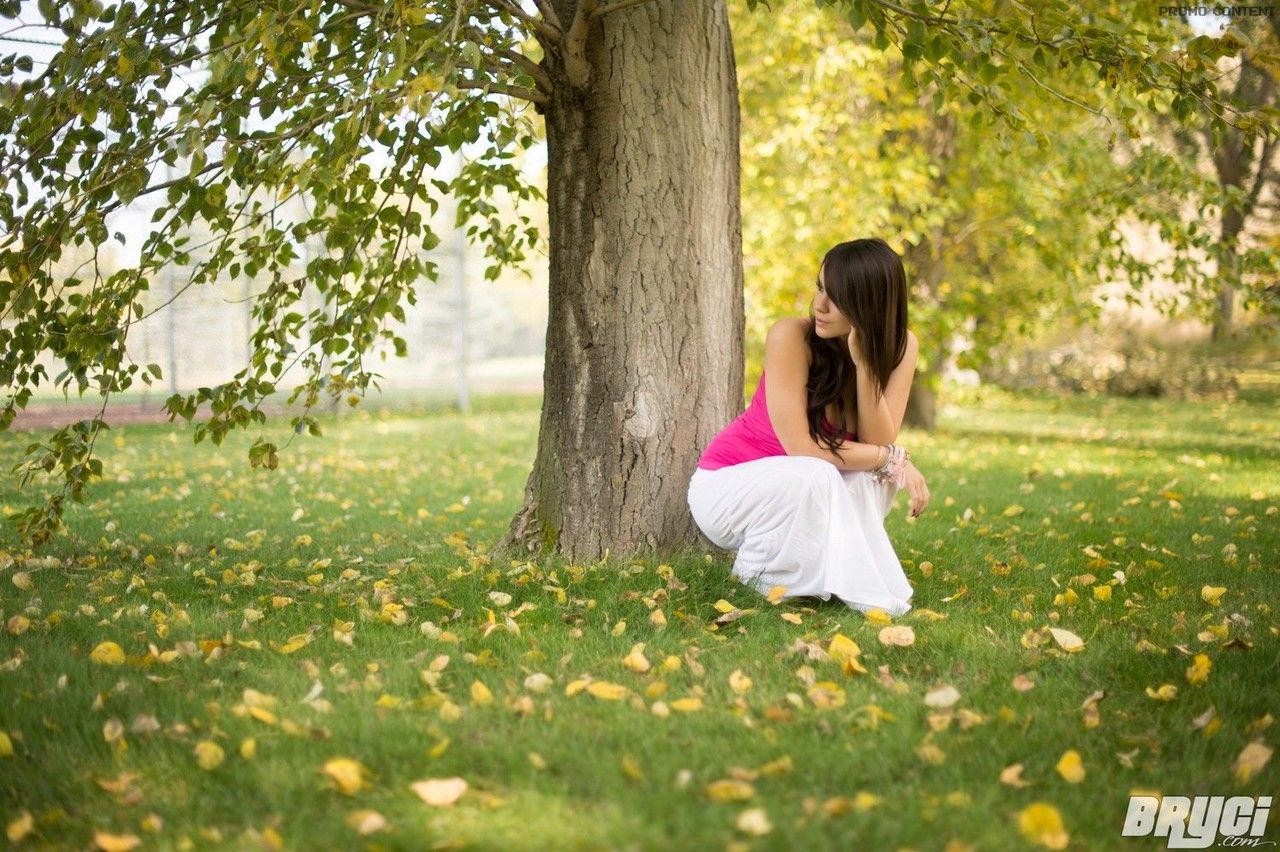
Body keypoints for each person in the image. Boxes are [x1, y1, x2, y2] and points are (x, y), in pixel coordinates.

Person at [686, 238, 930, 618]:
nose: (820, 305)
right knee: (826, 471)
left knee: (870, 478)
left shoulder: (902, 347)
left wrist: (865, 365)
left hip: (807, 484)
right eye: (820, 288)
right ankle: (758, 575)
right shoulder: (791, 336)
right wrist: (892, 460)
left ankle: (821, 577)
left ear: (870, 305)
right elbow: (804, 448)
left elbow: (880, 437)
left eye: (838, 297)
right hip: (727, 487)